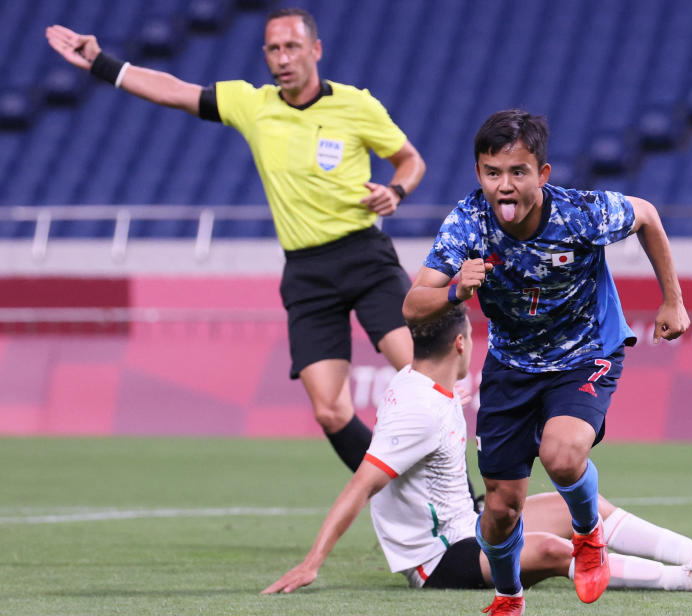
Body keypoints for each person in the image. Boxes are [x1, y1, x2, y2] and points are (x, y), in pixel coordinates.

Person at [45, 8, 424, 472]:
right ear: (265, 55)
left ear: (315, 50)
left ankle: (463, 502)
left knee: (417, 374)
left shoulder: (356, 106)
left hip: (364, 256)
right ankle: (404, 494)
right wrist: (102, 62)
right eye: (274, 49)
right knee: (329, 410)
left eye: (292, 47)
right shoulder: (253, 104)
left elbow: (410, 160)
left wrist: (396, 190)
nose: (283, 58)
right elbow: (176, 91)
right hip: (307, 273)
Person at [401, 109, 692, 616]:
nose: (505, 186)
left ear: (543, 174)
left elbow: (646, 215)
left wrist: (672, 300)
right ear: (478, 175)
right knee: (501, 509)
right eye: (493, 173)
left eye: (518, 172)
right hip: (512, 367)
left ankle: (588, 535)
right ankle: (509, 598)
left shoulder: (582, 213)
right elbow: (412, 305)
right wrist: (454, 290)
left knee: (562, 455)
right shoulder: (467, 223)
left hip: (586, 352)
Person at [261, 306, 692, 600]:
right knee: (553, 551)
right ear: (461, 343)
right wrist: (312, 563)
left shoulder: (412, 380)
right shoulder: (422, 408)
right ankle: (690, 580)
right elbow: (362, 483)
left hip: (465, 518)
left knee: (591, 508)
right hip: (440, 558)